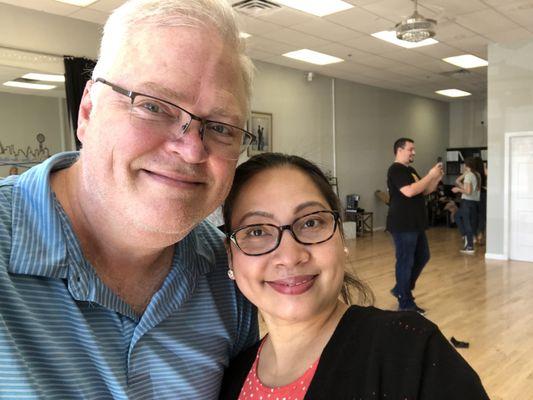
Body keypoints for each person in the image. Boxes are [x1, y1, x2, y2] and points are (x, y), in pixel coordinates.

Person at [0, 0, 258, 398]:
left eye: (221, 127)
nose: (191, 150)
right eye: (154, 106)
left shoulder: (227, 276)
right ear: (87, 110)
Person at [219, 152, 489, 399]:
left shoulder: (411, 353)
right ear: (230, 255)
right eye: (256, 231)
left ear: (341, 236)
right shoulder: (230, 376)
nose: (290, 256)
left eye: (311, 222)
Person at [387, 138, 443, 314]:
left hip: (415, 223)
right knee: (405, 261)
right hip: (403, 224)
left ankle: (400, 289)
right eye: (410, 149)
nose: (414, 152)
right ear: (399, 150)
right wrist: (430, 175)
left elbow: (425, 190)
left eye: (414, 149)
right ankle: (405, 303)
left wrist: (435, 179)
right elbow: (409, 191)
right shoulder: (395, 169)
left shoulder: (410, 170)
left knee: (423, 256)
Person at [452, 157, 481, 255]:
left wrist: (458, 190)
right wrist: (464, 175)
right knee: (457, 216)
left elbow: (468, 192)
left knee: (467, 223)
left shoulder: (469, 176)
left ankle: (469, 246)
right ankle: (467, 237)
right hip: (473, 203)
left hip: (467, 202)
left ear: (466, 165)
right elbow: (458, 181)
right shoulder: (476, 175)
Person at [473, 156, 487, 245]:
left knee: (474, 215)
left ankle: (474, 236)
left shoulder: (473, 174)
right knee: (482, 215)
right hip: (483, 194)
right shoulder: (484, 172)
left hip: (474, 196)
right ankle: (480, 235)